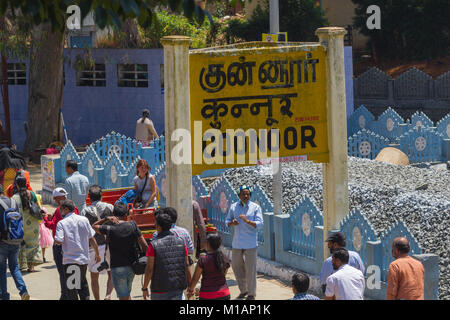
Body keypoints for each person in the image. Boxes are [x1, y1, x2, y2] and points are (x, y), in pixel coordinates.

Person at [93, 202, 148, 300]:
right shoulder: (133, 225)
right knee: (126, 293)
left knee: (124, 296)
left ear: (113, 215)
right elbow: (144, 244)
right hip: (132, 266)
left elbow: (94, 226)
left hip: (117, 267)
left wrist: (106, 218)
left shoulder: (109, 228)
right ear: (126, 215)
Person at [55, 200, 101, 300]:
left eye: (61, 209)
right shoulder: (84, 220)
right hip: (83, 260)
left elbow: (58, 240)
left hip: (70, 261)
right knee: (82, 285)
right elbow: (92, 238)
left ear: (66, 209)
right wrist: (97, 253)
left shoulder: (62, 223)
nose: (60, 211)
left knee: (72, 290)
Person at [142, 210, 192, 300]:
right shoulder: (181, 242)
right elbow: (186, 265)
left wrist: (144, 287)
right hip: (178, 288)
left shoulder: (153, 245)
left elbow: (149, 269)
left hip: (160, 290)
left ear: (159, 227)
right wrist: (190, 286)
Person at [225, 185, 263, 300]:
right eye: (243, 193)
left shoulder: (255, 207)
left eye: (248, 193)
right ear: (239, 195)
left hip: (250, 243)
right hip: (237, 243)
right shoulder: (233, 207)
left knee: (250, 269)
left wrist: (247, 221)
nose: (246, 196)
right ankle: (243, 290)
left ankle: (251, 293)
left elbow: (260, 224)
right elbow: (227, 221)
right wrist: (232, 223)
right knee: (236, 267)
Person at [42, 187, 79, 300]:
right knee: (74, 271)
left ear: (58, 198)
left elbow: (53, 225)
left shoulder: (59, 209)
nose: (54, 200)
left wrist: (45, 219)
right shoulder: (74, 208)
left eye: (55, 198)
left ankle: (65, 295)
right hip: (74, 245)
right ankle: (74, 294)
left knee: (63, 274)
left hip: (61, 246)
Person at [81, 185, 114, 300]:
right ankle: (107, 295)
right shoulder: (110, 207)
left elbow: (84, 230)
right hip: (109, 246)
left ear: (89, 197)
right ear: (102, 196)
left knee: (94, 277)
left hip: (93, 248)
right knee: (111, 273)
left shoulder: (84, 211)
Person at [0, 185, 30, 300]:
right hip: (16, 239)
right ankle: (23, 291)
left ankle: (4, 295)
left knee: (2, 269)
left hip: (3, 241)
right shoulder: (13, 202)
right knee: (14, 267)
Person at [12, 176, 43, 272]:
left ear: (17, 185)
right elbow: (38, 207)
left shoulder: (14, 198)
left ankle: (22, 266)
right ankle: (31, 266)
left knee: (21, 245)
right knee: (33, 244)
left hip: (21, 225)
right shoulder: (32, 194)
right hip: (33, 224)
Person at [187, 233, 230, 300]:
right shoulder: (224, 258)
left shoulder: (203, 259)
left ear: (208, 244)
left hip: (207, 295)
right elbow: (223, 274)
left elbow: (196, 278)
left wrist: (191, 290)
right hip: (224, 293)